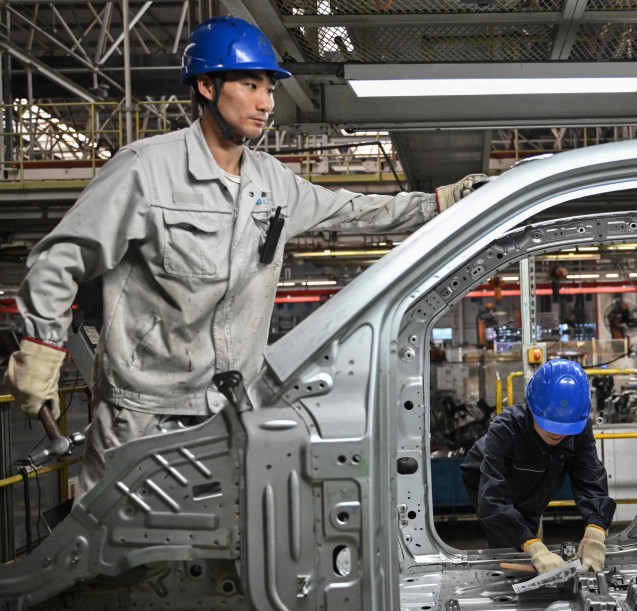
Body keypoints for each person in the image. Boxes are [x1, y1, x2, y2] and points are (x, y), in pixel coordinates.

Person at [3, 16, 485, 496]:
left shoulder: (271, 182)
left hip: (230, 414)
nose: (266, 103)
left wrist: (445, 201)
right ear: (207, 86)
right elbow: (60, 259)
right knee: (120, 557)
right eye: (251, 85)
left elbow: (356, 210)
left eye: (270, 89)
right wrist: (42, 349)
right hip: (142, 416)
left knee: (222, 557)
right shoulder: (145, 170)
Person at [461, 359, 616, 573]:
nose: (557, 433)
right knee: (512, 544)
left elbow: (591, 478)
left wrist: (596, 532)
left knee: (528, 519)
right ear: (532, 409)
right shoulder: (506, 427)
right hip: (485, 477)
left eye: (566, 428)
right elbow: (492, 498)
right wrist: (532, 546)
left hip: (533, 482)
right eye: (549, 423)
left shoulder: (579, 426)